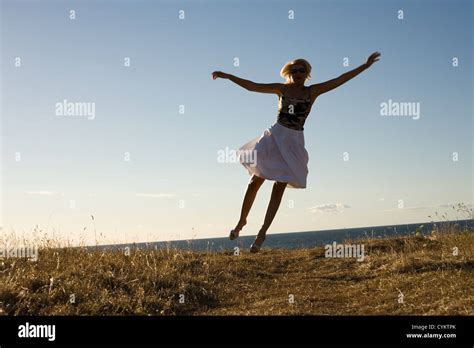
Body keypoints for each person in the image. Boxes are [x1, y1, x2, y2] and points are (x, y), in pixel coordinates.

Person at [212, 52, 380, 253]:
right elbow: (252, 86)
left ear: (307, 73)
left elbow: (340, 80)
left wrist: (364, 66)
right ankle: (241, 222)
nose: (298, 73)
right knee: (254, 181)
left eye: (302, 70)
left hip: (293, 142)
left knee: (279, 187)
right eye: (294, 70)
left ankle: (262, 233)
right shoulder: (280, 89)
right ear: (289, 73)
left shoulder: (312, 92)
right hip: (275, 138)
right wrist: (228, 76)